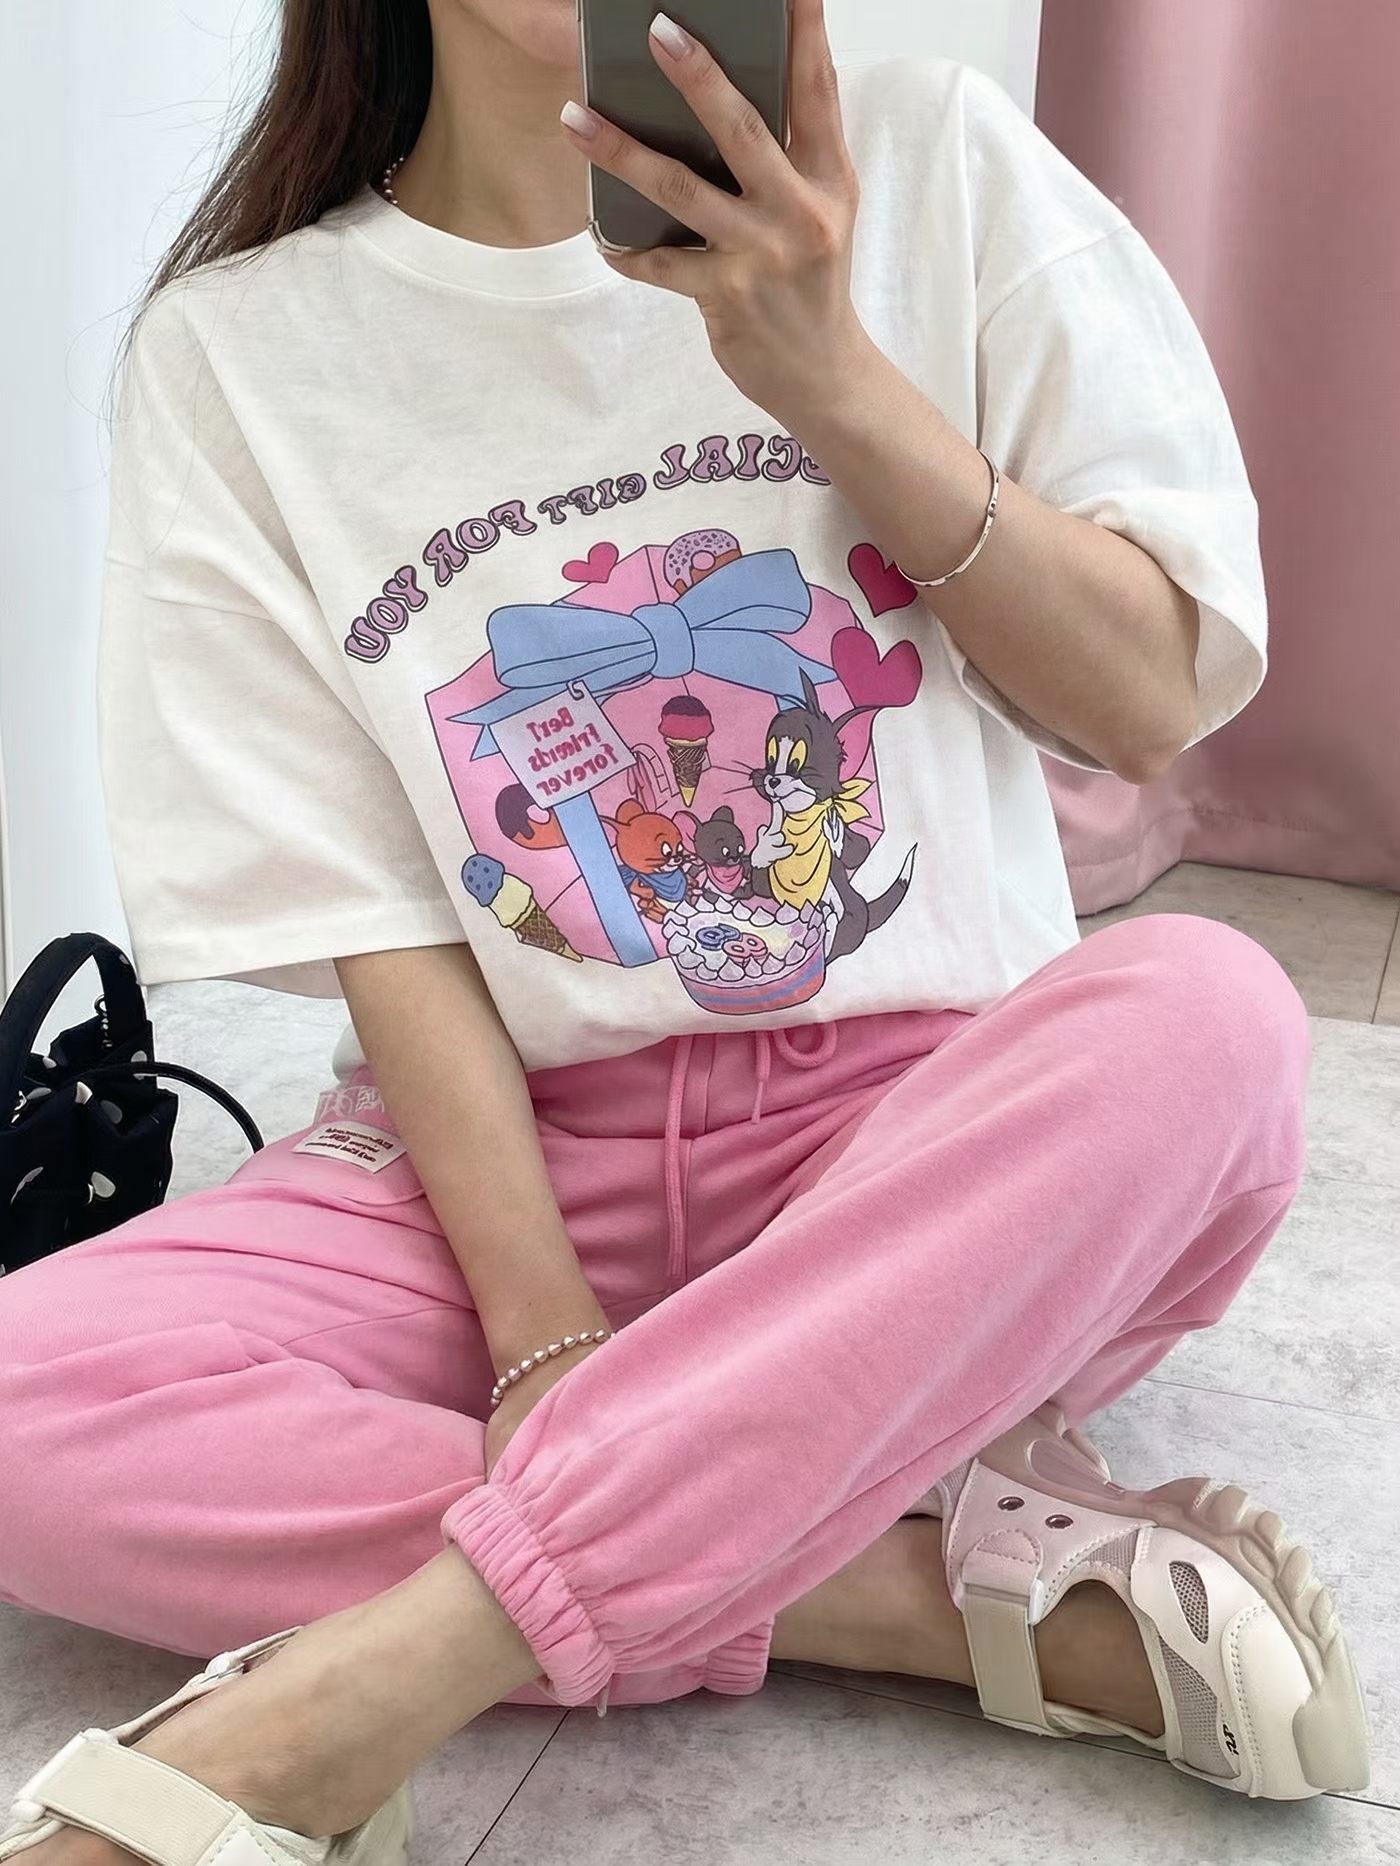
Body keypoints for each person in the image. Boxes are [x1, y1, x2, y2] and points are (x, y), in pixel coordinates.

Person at [0, 1, 1370, 1860]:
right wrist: (539, 1333)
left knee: (1210, 1016)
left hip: (919, 1166)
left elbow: (1146, 702)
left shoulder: (936, 166)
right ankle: (900, 1587)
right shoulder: (240, 350)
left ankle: (352, 1700)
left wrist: (832, 374)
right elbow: (378, 918)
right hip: (495, 1163)